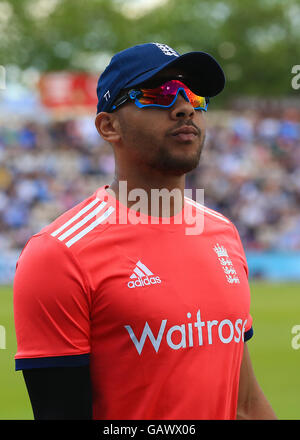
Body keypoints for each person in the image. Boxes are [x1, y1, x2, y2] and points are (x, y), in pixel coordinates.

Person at [13, 42, 277, 420]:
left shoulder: (223, 233)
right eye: (158, 94)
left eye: (194, 95)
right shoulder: (59, 254)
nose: (184, 106)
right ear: (109, 126)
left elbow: (245, 404)